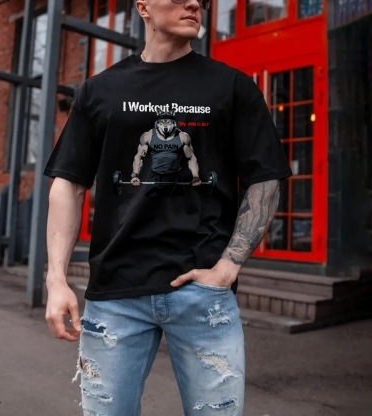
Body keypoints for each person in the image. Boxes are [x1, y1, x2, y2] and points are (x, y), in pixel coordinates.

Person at [43, 0, 292, 414]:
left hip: (202, 295)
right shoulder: (100, 90)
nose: (194, 3)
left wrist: (228, 266)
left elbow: (265, 177)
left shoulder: (231, 87)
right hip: (116, 293)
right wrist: (56, 279)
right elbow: (68, 183)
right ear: (143, 6)